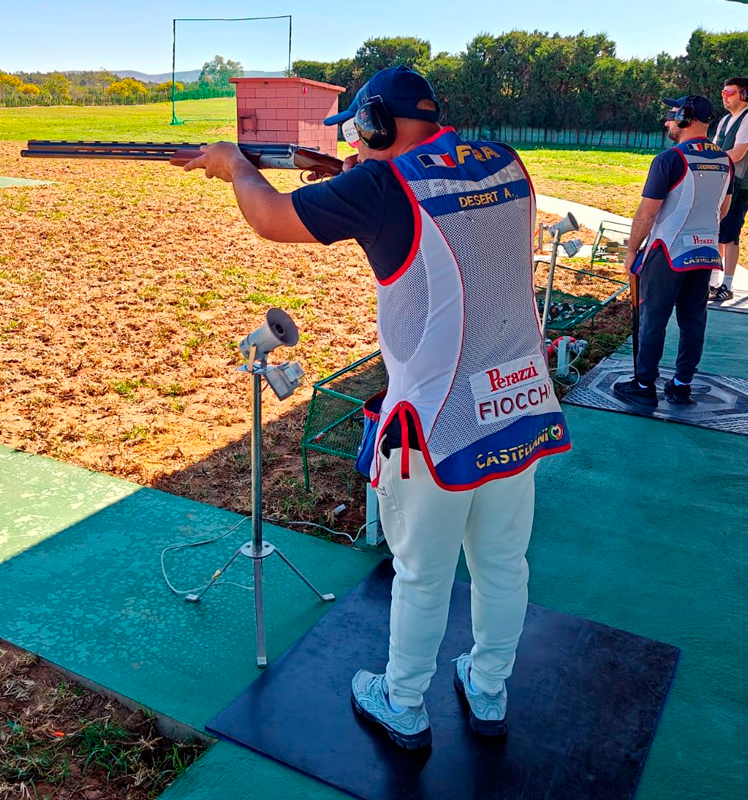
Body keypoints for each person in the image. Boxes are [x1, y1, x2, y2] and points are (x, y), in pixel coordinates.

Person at [176, 66, 571, 750]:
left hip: (434, 422)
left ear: (378, 123)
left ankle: (404, 702)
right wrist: (346, 176)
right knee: (503, 565)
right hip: (516, 401)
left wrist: (237, 168)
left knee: (419, 574)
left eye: (360, 127)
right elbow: (439, 216)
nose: (354, 139)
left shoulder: (379, 186)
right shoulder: (503, 164)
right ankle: (486, 687)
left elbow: (271, 219)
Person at [615, 95, 733, 407]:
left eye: (671, 115)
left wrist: (631, 252)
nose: (668, 121)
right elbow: (724, 206)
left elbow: (646, 214)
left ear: (685, 116)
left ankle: (643, 384)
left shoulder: (669, 160)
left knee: (653, 317)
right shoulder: (725, 160)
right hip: (705, 252)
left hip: (667, 251)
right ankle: (681, 384)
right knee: (694, 319)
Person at [710, 77, 748, 302]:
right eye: (723, 91)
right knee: (716, 231)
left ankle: (728, 284)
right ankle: (714, 281)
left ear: (744, 95)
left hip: (741, 184)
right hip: (723, 181)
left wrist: (710, 163)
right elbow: (717, 149)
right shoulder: (725, 120)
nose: (724, 95)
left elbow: (738, 152)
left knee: (730, 233)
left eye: (730, 92)